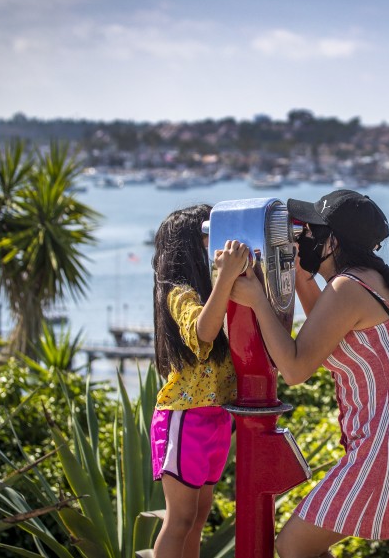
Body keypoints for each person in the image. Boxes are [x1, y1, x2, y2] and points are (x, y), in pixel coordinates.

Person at [230, 189, 389, 558]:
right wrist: (299, 274)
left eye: (312, 231)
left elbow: (297, 367)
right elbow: (325, 331)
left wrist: (256, 300)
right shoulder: (370, 280)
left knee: (293, 545)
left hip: (386, 448)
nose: (306, 238)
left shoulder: (349, 288)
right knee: (307, 546)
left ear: (334, 241)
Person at [150, 204, 249, 558]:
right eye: (209, 235)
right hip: (185, 415)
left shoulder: (214, 292)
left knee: (200, 514)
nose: (217, 243)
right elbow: (202, 333)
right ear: (190, 245)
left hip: (215, 417)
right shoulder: (178, 292)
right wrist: (225, 278)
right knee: (180, 518)